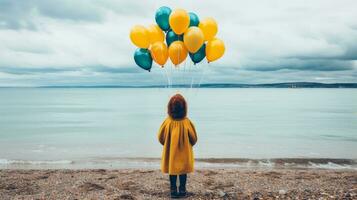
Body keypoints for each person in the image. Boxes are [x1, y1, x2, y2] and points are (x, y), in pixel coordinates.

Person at [157, 94, 198, 198]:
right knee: (183, 172)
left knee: (172, 172)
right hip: (184, 153)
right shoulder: (187, 122)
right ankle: (183, 190)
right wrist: (188, 145)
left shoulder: (167, 122)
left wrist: (167, 144)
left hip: (171, 153)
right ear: (184, 108)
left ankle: (173, 191)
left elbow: (160, 137)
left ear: (170, 107)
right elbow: (194, 139)